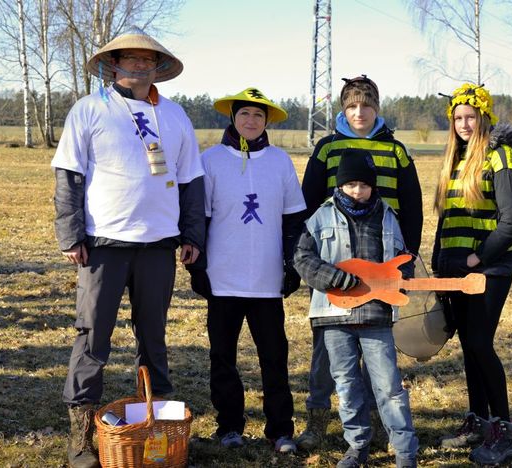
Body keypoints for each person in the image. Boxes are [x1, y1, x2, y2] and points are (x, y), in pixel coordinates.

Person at [51, 27, 205, 468]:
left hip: (159, 244)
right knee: (92, 337)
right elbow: (68, 175)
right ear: (113, 63)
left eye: (147, 58)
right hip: (104, 243)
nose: (140, 64)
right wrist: (70, 234)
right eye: (130, 57)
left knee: (154, 337)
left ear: (158, 66)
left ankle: (156, 428)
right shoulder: (89, 109)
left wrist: (192, 235)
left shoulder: (174, 115)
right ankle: (81, 436)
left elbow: (191, 179)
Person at [297, 75, 423, 450]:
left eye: (366, 105)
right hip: (334, 264)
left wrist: (406, 261)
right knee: (327, 352)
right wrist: (313, 267)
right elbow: (308, 205)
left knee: (377, 352)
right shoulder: (327, 148)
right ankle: (317, 420)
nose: (359, 113)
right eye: (351, 106)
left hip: (382, 261)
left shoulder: (396, 151)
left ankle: (376, 423)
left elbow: (412, 208)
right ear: (343, 109)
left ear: (376, 108)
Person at [186, 87, 307, 454]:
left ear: (266, 121)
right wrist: (199, 268)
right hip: (223, 278)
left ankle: (280, 430)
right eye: (244, 114)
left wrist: (292, 264)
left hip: (266, 281)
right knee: (222, 357)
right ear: (233, 118)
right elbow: (200, 218)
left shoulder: (280, 161)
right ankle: (229, 427)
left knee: (274, 358)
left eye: (258, 115)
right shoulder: (211, 160)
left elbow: (293, 220)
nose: (251, 121)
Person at [432, 83, 512, 465]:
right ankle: (477, 420)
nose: (464, 124)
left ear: (484, 117)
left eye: (470, 117)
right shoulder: (455, 159)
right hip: (456, 269)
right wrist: (440, 262)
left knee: (479, 342)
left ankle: (504, 431)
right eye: (458, 118)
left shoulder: (501, 157)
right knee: (468, 345)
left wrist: (478, 258)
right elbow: (447, 219)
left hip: (488, 269)